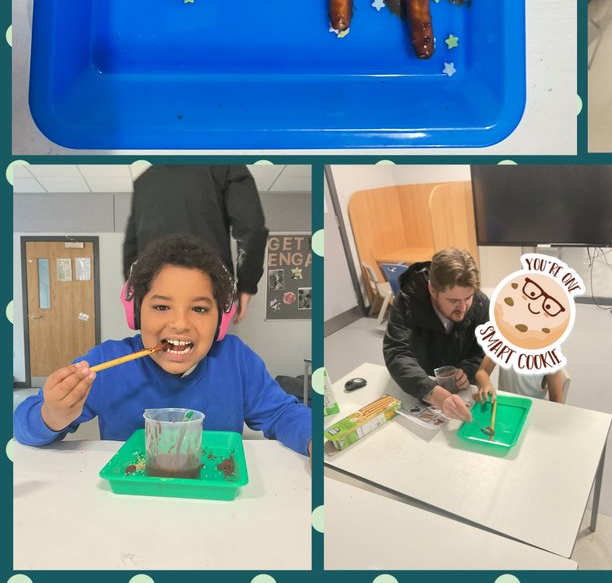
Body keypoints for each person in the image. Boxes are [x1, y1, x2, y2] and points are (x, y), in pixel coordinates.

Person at [14, 235, 311, 455]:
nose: (180, 323)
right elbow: (22, 428)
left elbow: (282, 414)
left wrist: (313, 439)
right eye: (161, 307)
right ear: (135, 313)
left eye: (199, 309)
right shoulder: (107, 364)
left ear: (221, 319)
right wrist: (52, 415)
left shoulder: (236, 360)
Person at [123, 165, 268, 323]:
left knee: (162, 345)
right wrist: (247, 285)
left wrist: (135, 299)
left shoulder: (144, 181)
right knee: (202, 343)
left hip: (155, 290)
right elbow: (251, 228)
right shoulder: (226, 165)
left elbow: (131, 250)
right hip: (206, 286)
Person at [383, 248, 489, 422]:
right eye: (453, 301)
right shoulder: (408, 301)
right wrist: (431, 392)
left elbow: (482, 351)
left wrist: (467, 372)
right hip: (418, 386)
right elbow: (398, 353)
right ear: (432, 290)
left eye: (468, 297)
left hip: (461, 394)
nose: (463, 308)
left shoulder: (480, 303)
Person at [475, 354, 566, 404]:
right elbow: (482, 372)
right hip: (505, 405)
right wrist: (485, 383)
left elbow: (556, 399)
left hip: (533, 410)